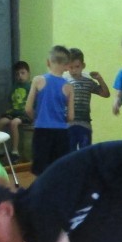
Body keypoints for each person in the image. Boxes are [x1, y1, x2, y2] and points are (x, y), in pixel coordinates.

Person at [26, 45, 74, 176]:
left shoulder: (38, 80)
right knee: (59, 170)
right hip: (61, 132)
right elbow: (71, 117)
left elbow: (28, 108)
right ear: (67, 66)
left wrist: (37, 119)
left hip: (42, 130)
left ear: (48, 62)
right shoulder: (69, 87)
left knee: (40, 170)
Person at [65, 48, 110, 152]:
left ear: (83, 66)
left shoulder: (88, 82)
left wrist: (100, 79)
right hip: (68, 124)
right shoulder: (64, 82)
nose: (74, 70)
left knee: (85, 152)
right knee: (69, 153)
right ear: (66, 66)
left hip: (84, 123)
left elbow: (105, 94)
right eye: (71, 67)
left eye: (77, 67)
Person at [0, 61, 31, 159]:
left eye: (23, 73)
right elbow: (11, 100)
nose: (20, 76)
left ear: (28, 73)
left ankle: (15, 151)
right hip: (14, 112)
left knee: (14, 123)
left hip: (25, 114)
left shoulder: (30, 87)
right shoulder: (15, 86)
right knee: (0, 122)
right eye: (17, 74)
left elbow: (34, 103)